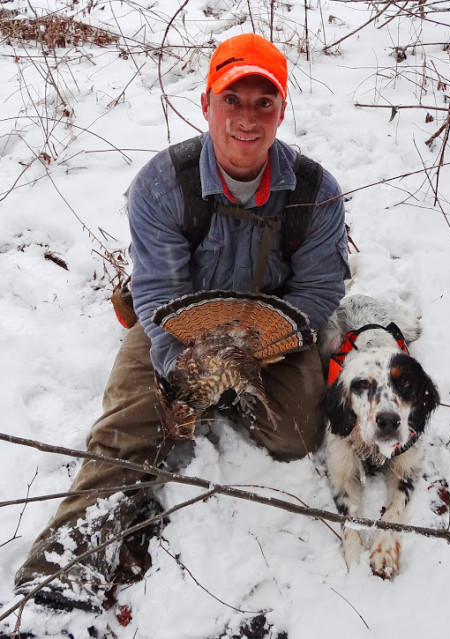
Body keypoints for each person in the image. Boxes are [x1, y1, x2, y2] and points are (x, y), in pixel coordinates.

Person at [6, 32, 350, 636]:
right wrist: (183, 371)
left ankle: (213, 411)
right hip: (175, 322)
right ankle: (58, 586)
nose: (247, 119)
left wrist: (264, 346)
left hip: (268, 332)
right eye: (232, 100)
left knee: (296, 435)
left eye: (263, 103)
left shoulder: (316, 193)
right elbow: (159, 295)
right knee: (127, 431)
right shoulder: (162, 184)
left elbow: (318, 293)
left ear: (282, 109)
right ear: (206, 105)